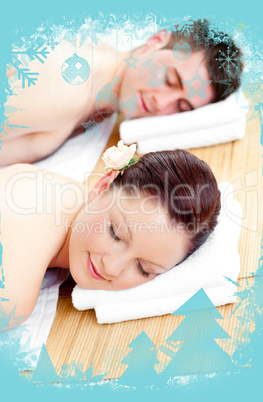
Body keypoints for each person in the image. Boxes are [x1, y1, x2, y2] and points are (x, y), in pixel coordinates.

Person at [0, 140, 220, 332]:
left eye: (144, 269)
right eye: (115, 234)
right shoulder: (12, 297)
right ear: (103, 185)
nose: (112, 268)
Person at [1, 19, 243, 167]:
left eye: (181, 107)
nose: (161, 103)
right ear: (156, 40)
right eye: (169, 80)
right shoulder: (66, 87)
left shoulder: (106, 97)